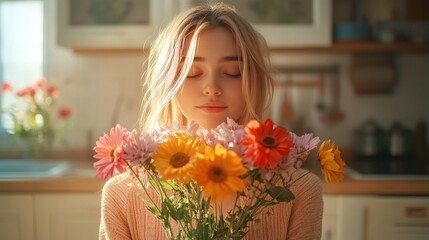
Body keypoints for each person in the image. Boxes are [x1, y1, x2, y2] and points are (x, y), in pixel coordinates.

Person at [99, 3, 323, 240]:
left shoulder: (300, 190)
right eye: (193, 72)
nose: (212, 88)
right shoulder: (121, 195)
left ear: (253, 81)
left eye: (232, 71)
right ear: (166, 82)